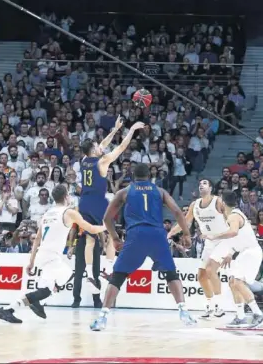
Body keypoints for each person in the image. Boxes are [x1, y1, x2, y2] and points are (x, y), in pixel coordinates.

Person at [90, 163, 196, 331]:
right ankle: (184, 311)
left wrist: (116, 238)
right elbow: (177, 211)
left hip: (136, 235)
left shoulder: (124, 192)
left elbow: (107, 218)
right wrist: (186, 234)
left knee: (118, 276)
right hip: (157, 235)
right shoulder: (160, 191)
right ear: (149, 176)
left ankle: (102, 317)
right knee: (171, 274)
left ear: (133, 176)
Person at [0, 185, 106, 323]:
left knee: (44, 291)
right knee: (67, 275)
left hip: (43, 255)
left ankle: (19, 306)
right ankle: (12, 308)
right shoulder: (69, 212)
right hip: (52, 257)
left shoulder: (47, 213)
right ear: (66, 196)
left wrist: (31, 261)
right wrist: (106, 226)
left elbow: (37, 239)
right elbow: (90, 228)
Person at [69, 118, 143, 308]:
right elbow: (121, 147)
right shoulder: (103, 162)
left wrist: (115, 129)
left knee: (90, 238)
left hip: (84, 202)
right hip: (99, 203)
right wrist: (131, 130)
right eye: (96, 146)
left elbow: (102, 144)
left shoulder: (84, 160)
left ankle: (88, 275)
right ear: (93, 150)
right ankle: (109, 268)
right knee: (111, 235)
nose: (100, 147)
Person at [169, 179, 228, 319]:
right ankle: (209, 306)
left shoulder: (218, 202)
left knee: (210, 270)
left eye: (205, 183)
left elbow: (231, 219)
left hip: (224, 240)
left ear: (211, 188)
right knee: (201, 276)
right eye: (200, 183)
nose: (201, 185)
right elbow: (185, 222)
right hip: (210, 241)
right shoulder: (194, 205)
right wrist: (170, 233)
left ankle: (219, 306)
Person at [213, 191, 263, 329]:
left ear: (223, 203)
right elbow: (237, 238)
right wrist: (230, 253)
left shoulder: (233, 216)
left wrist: (215, 236)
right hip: (245, 251)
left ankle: (258, 314)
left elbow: (233, 232)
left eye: (219, 200)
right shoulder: (233, 215)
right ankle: (240, 316)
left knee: (237, 282)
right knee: (232, 282)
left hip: (251, 252)